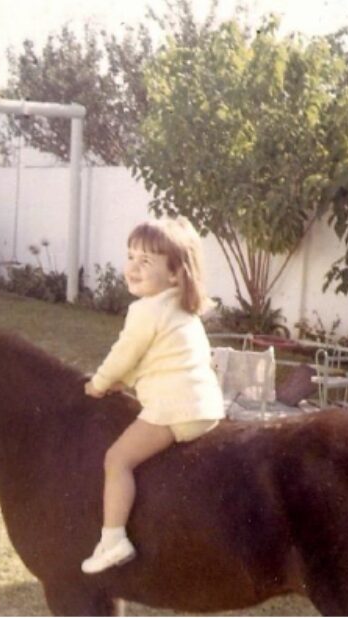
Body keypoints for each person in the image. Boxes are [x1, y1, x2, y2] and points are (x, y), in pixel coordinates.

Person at [81, 217, 224, 574]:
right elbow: (156, 359)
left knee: (118, 460)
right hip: (205, 407)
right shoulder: (182, 309)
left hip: (174, 409)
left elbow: (125, 353)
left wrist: (99, 383)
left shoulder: (145, 310)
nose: (132, 267)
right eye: (131, 256)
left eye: (146, 262)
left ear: (176, 273)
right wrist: (124, 382)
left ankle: (113, 539)